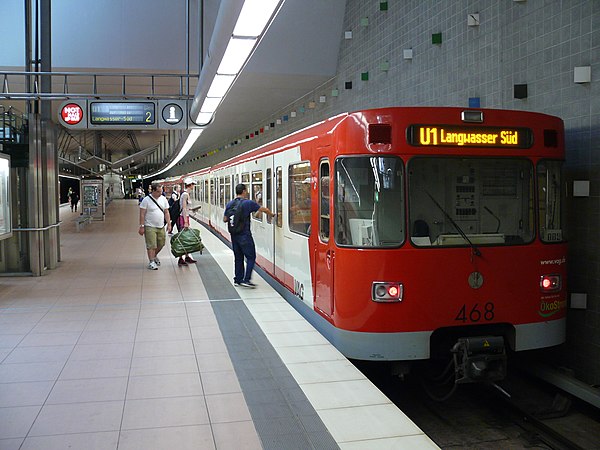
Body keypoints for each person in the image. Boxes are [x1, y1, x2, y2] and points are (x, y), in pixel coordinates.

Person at [223, 183, 275, 288]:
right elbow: (263, 209)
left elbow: (225, 219)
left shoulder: (230, 204)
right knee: (251, 257)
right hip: (245, 235)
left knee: (238, 258)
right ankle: (246, 280)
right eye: (246, 190)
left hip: (234, 235)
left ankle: (238, 279)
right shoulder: (248, 203)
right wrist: (271, 214)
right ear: (243, 191)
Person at [138, 182, 172, 270]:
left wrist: (169, 223)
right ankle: (151, 261)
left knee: (161, 244)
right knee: (151, 245)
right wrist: (142, 226)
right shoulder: (146, 200)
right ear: (153, 191)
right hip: (149, 226)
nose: (160, 193)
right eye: (158, 192)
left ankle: (154, 255)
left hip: (160, 226)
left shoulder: (163, 199)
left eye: (161, 191)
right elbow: (142, 214)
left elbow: (166, 212)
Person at [176, 178, 197, 266]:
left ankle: (187, 256)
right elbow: (184, 209)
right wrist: (185, 222)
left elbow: (186, 208)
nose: (194, 186)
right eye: (193, 184)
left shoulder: (186, 194)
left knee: (186, 237)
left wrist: (192, 210)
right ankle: (181, 258)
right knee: (183, 238)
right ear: (190, 185)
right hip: (182, 218)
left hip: (185, 217)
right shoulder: (185, 195)